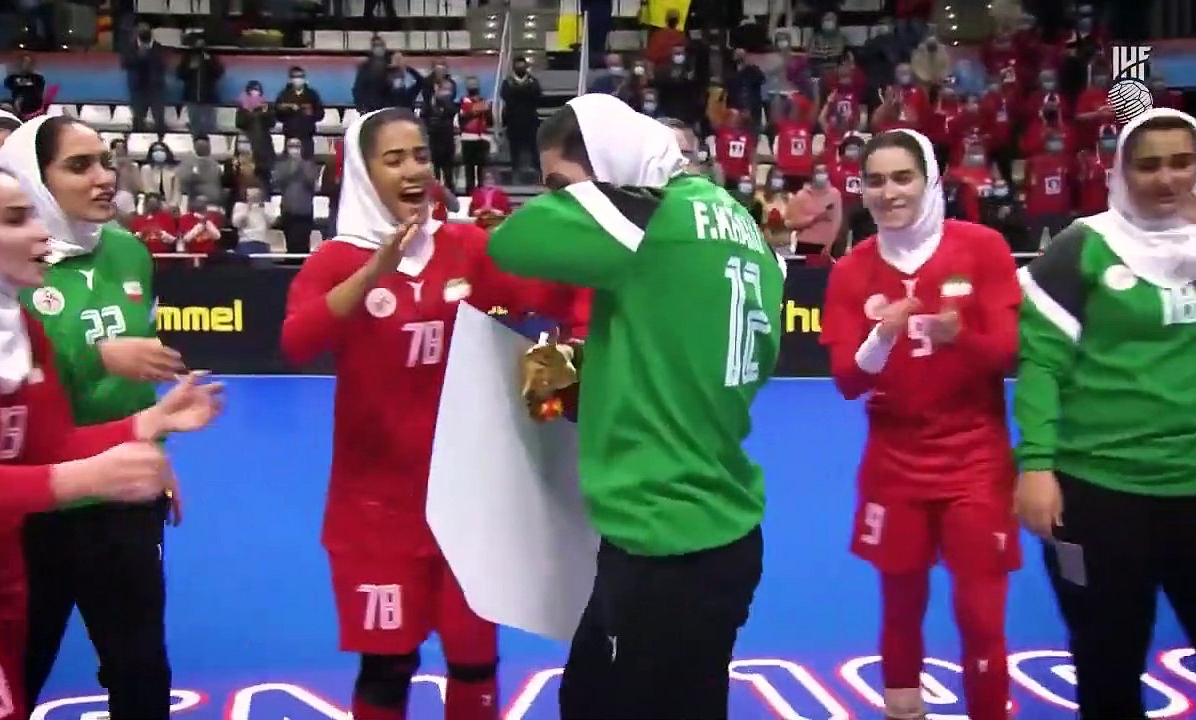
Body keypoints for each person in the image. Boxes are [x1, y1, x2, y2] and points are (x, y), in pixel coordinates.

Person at [279, 107, 580, 720]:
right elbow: (297, 342)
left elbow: (551, 297)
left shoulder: (468, 247)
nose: (415, 169)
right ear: (362, 175)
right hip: (376, 512)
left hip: (469, 507)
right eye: (394, 160)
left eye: (420, 155)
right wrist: (374, 272)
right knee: (387, 668)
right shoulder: (337, 261)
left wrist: (567, 332)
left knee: (475, 662)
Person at [488, 93, 779, 720]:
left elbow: (513, 242)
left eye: (563, 185)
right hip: (714, 520)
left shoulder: (655, 223)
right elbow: (688, 356)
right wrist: (590, 374)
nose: (557, 201)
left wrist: (598, 199)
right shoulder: (735, 220)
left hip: (662, 537)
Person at [0, 160, 221, 719]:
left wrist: (147, 426)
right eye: (15, 220)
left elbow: (47, 442)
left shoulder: (16, 324)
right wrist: (86, 479)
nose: (39, 233)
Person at [818, 129, 1020, 720]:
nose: (888, 192)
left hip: (975, 461)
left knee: (981, 615)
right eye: (875, 180)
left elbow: (1009, 354)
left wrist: (963, 337)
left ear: (930, 179)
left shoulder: (982, 248)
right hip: (894, 464)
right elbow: (848, 382)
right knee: (900, 607)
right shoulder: (851, 270)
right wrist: (882, 336)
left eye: (902, 177)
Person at [0, 115, 188, 720]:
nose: (104, 178)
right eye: (79, 166)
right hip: (35, 502)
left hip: (127, 495)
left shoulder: (129, 252)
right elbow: (4, 384)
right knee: (16, 669)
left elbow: (138, 386)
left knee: (140, 669)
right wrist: (99, 354)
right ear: (35, 178)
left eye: (105, 161)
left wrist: (159, 458)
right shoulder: (8, 263)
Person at [1014, 108, 1196, 720]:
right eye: (1149, 165)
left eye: (1182, 162)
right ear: (1120, 170)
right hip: (1098, 491)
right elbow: (1040, 366)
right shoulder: (1081, 248)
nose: (1166, 178)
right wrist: (1036, 465)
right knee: (1107, 659)